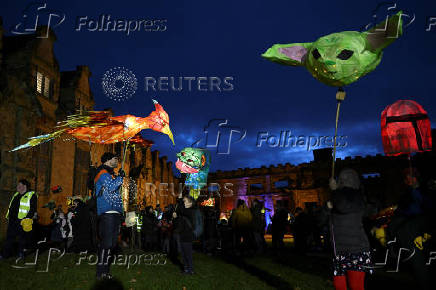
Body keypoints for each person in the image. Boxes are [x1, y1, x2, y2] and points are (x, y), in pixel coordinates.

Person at [329, 168, 372, 290]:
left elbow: (344, 206)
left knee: (356, 286)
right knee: (339, 286)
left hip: (356, 250)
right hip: (338, 251)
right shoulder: (336, 197)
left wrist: (334, 191)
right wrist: (327, 209)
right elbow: (321, 220)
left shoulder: (357, 196)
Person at [94, 152, 125, 280]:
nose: (117, 160)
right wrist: (120, 178)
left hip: (114, 212)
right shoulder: (102, 173)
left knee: (111, 244)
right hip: (107, 213)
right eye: (115, 158)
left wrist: (118, 177)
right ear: (107, 160)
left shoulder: (110, 174)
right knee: (106, 243)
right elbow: (112, 187)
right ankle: (100, 272)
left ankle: (105, 272)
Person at [0, 179, 38, 260]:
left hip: (22, 221)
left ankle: (21, 254)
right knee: (9, 238)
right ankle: (4, 255)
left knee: (22, 239)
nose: (17, 187)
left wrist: (25, 219)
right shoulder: (16, 195)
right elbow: (11, 207)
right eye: (18, 185)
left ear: (24, 186)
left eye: (19, 185)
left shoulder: (31, 195)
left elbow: (32, 209)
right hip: (12, 221)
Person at [173, 193, 196, 274]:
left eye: (185, 201)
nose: (183, 202)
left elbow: (182, 210)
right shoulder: (184, 213)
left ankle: (191, 269)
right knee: (183, 254)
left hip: (188, 236)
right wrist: (175, 218)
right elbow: (178, 224)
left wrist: (179, 200)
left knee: (188, 254)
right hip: (182, 235)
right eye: (183, 201)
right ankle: (186, 269)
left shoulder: (191, 211)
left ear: (190, 203)